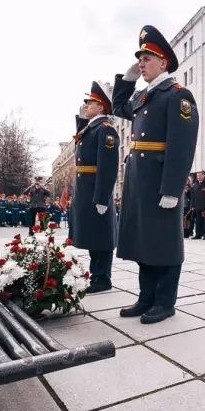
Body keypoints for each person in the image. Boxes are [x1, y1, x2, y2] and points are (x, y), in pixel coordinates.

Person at [112, 24, 198, 324]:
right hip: (139, 179)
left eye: (146, 58)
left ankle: (164, 301)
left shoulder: (177, 95)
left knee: (164, 242)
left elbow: (182, 146)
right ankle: (146, 297)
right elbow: (119, 107)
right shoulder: (145, 95)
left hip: (161, 180)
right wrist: (126, 80)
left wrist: (173, 188)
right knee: (143, 241)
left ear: (163, 62)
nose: (141, 64)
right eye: (140, 58)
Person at [69, 82, 120, 294]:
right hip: (85, 188)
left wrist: (102, 197)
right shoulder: (91, 128)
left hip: (95, 189)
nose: (86, 105)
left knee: (101, 235)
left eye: (90, 102)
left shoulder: (105, 130)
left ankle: (103, 277)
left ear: (100, 107)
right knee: (92, 234)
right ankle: (96, 273)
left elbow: (107, 167)